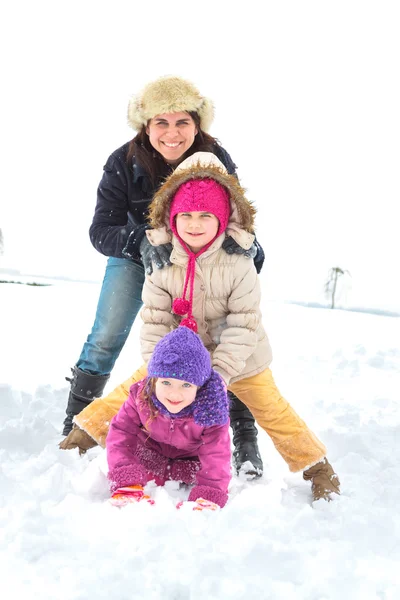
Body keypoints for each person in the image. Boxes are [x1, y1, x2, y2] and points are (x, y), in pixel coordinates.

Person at [61, 152, 341, 502]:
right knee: (133, 389)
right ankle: (81, 435)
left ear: (222, 218)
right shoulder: (162, 260)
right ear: (172, 216)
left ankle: (318, 468)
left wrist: (220, 375)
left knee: (273, 409)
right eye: (186, 215)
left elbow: (245, 323)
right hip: (179, 359)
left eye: (205, 215)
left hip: (241, 359)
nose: (194, 224)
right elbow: (155, 319)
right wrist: (158, 367)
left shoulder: (239, 262)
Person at [61, 75, 264, 477]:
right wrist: (140, 240)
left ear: (197, 124)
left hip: (203, 259)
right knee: (106, 334)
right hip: (142, 259)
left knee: (226, 335)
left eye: (182, 123)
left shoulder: (214, 156)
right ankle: (80, 422)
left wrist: (251, 247)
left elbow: (239, 213)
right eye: (161, 123)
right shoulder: (122, 161)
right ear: (146, 125)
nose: (172, 133)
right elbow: (100, 230)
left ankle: (242, 436)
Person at [107, 325, 231, 510]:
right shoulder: (141, 397)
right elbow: (121, 433)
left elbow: (216, 453)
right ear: (154, 379)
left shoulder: (211, 409)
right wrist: (126, 478)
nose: (174, 394)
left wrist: (209, 493)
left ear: (200, 387)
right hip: (148, 458)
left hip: (189, 466)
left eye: (186, 385)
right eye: (166, 382)